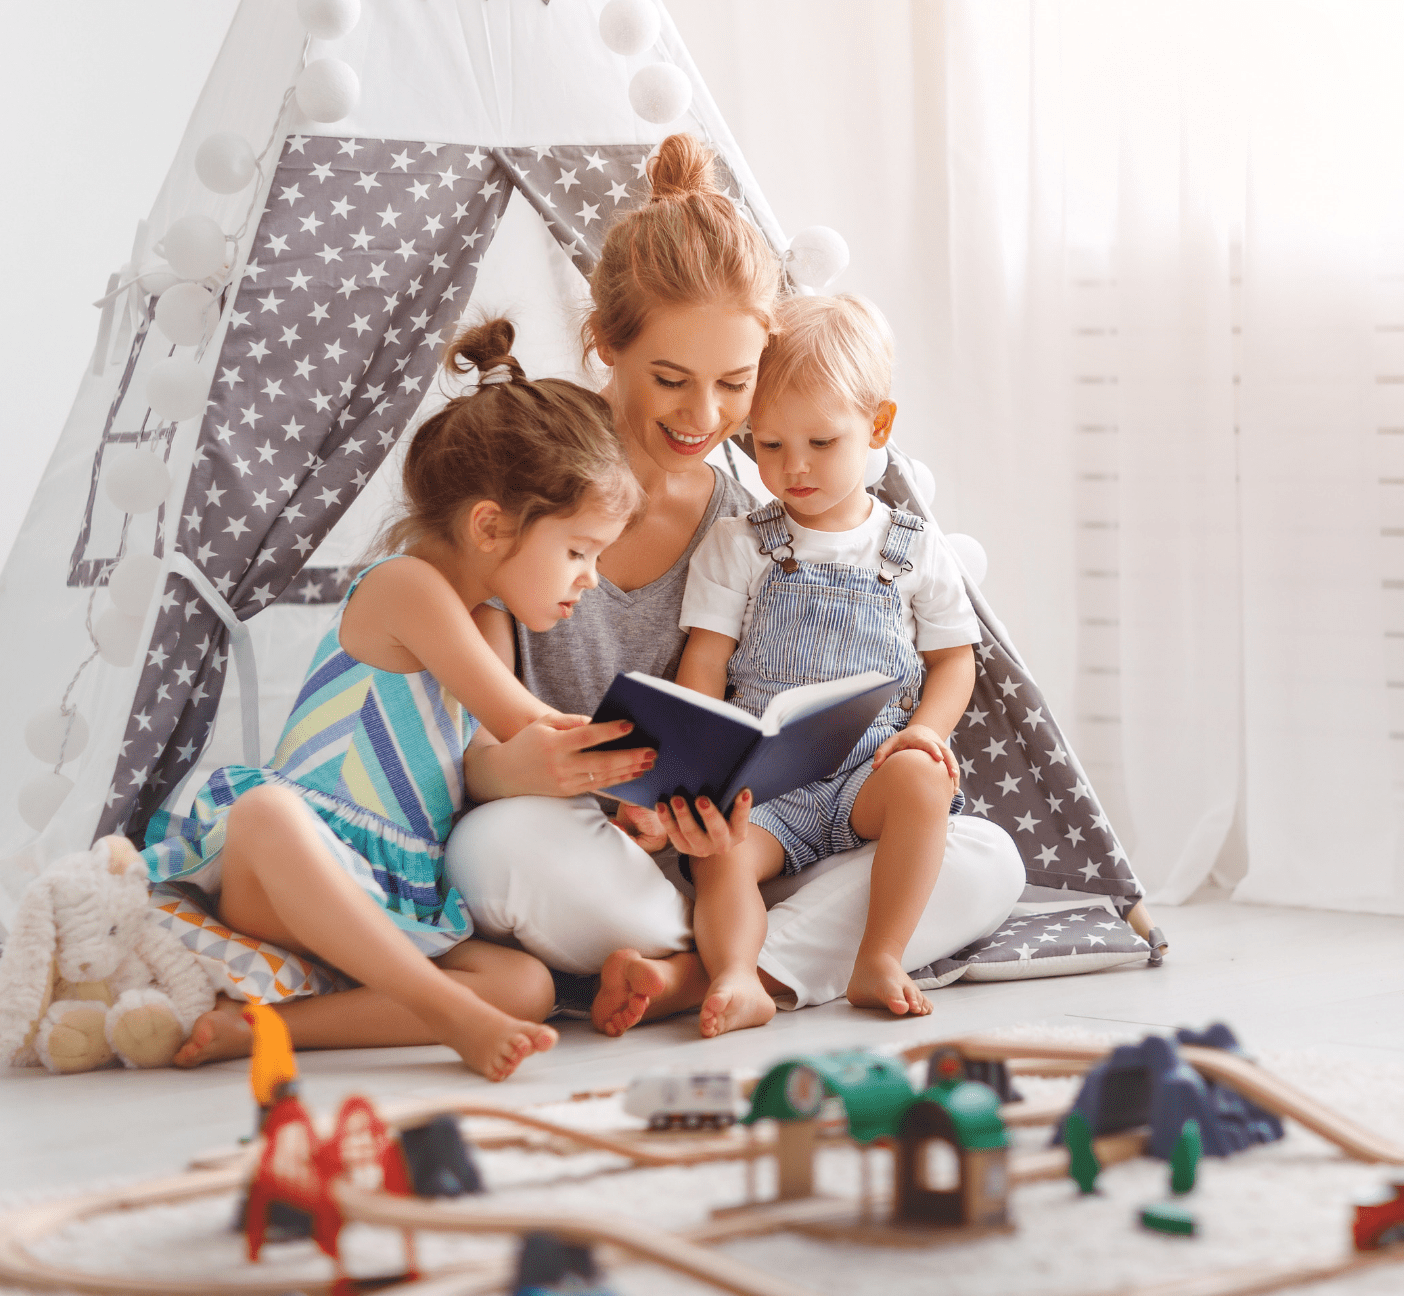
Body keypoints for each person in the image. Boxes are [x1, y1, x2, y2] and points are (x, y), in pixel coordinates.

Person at [444, 135, 1024, 1036]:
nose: (704, 417)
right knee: (499, 854)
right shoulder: (536, 473)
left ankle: (707, 973)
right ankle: (734, 955)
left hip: (738, 841)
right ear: (605, 346)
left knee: (987, 859)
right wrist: (534, 769)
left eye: (735, 386)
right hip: (598, 844)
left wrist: (718, 806)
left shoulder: (751, 517)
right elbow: (470, 752)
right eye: (671, 380)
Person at [153, 318, 653, 1080]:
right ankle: (452, 1018)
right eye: (579, 551)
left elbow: (493, 760)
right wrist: (637, 759)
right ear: (490, 525)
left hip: (389, 889)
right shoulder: (405, 587)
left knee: (528, 985)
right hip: (297, 870)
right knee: (265, 813)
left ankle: (254, 1031)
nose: (590, 578)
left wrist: (625, 794)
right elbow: (528, 723)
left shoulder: (488, 616)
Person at [677, 293, 974, 1035]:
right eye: (768, 445)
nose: (792, 468)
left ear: (877, 426)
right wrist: (699, 768)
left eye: (820, 442)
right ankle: (739, 977)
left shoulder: (910, 546)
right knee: (724, 852)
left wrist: (928, 735)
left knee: (923, 782)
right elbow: (705, 665)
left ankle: (880, 956)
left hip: (869, 772)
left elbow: (954, 663)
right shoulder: (740, 543)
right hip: (768, 778)